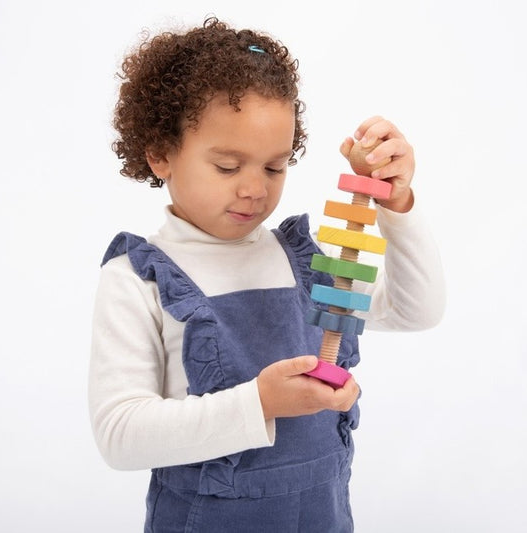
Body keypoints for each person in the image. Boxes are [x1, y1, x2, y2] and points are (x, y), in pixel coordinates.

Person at [89, 16, 445, 532]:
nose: (255, 189)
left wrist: (398, 202)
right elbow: (120, 434)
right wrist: (260, 402)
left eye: (274, 167)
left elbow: (418, 310)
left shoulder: (302, 262)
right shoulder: (137, 278)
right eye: (229, 167)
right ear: (160, 154)